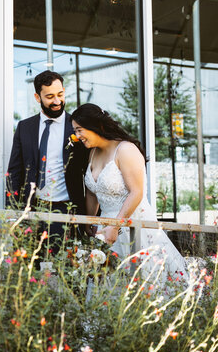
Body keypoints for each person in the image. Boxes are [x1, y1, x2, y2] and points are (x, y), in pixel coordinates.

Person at [71, 103, 187, 281]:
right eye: (75, 131)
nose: (78, 136)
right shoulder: (92, 152)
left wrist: (115, 226)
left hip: (133, 223)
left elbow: (137, 192)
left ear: (96, 126)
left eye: (80, 130)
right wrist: (88, 223)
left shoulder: (125, 150)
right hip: (105, 226)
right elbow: (93, 192)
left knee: (140, 279)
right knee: (107, 281)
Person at [6, 70, 90, 253]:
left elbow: (91, 171)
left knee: (67, 270)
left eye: (60, 94)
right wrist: (13, 213)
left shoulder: (77, 127)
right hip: (32, 209)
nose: (57, 101)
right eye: (50, 96)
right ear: (38, 97)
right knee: (27, 268)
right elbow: (14, 171)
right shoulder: (24, 127)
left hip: (67, 210)